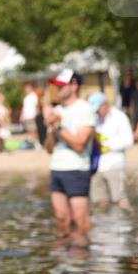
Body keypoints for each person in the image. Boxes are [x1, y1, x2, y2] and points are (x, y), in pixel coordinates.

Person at [44, 69, 95, 245]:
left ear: (74, 85)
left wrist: (58, 127)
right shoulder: (57, 110)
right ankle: (62, 263)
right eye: (56, 85)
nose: (57, 89)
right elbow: (49, 148)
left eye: (61, 85)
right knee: (61, 219)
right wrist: (50, 128)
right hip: (57, 168)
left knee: (80, 221)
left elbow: (80, 145)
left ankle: (81, 264)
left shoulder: (85, 109)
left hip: (77, 169)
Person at [88, 92, 133, 210]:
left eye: (98, 109)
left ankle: (125, 226)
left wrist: (108, 145)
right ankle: (105, 227)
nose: (97, 112)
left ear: (105, 104)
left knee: (120, 200)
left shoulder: (119, 117)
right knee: (99, 202)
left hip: (115, 165)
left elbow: (129, 141)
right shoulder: (94, 119)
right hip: (97, 166)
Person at [21, 83, 40, 147]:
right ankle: (32, 144)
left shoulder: (34, 95)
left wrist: (36, 115)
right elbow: (24, 107)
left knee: (33, 130)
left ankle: (37, 144)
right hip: (27, 116)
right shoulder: (26, 97)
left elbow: (36, 106)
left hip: (32, 116)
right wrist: (22, 116)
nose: (25, 90)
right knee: (29, 130)